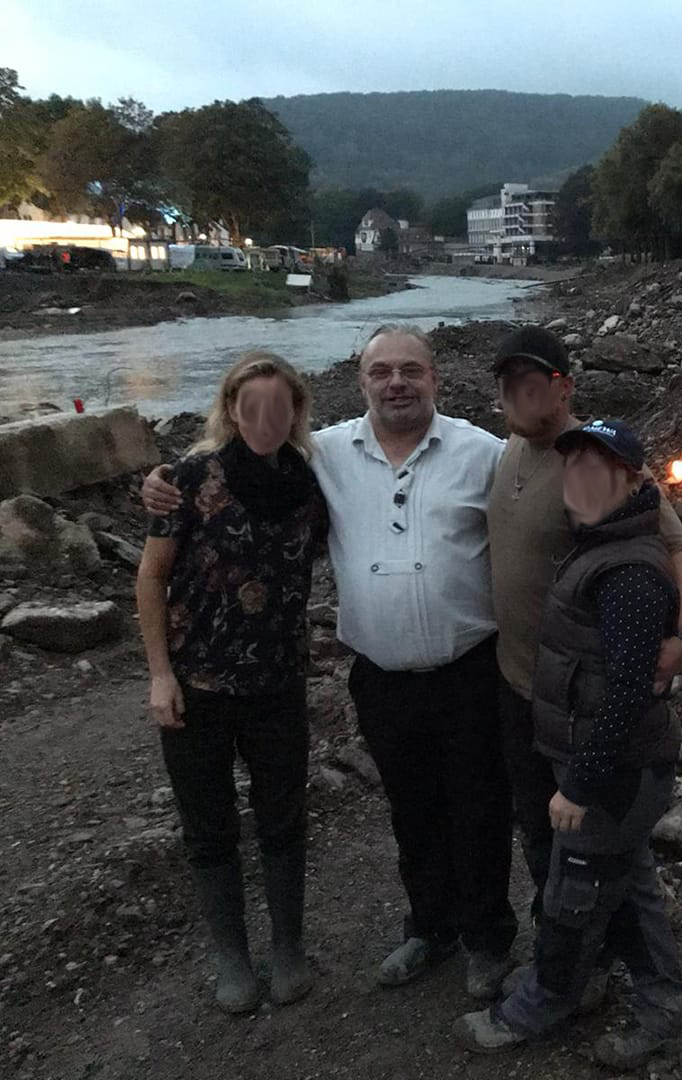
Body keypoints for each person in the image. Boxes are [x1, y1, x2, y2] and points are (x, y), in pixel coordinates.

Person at [143, 326, 518, 1001]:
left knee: (480, 808)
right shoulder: (326, 454)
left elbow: (539, 496)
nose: (396, 383)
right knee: (411, 811)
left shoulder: (482, 453)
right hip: (379, 676)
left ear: (435, 378)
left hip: (467, 668)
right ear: (361, 381)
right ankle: (431, 928)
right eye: (381, 372)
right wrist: (158, 482)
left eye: (410, 370)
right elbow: (230, 461)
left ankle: (488, 941)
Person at [454, 419, 682, 1070]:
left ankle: (538, 1006)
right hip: (612, 766)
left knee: (573, 898)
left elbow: (626, 696)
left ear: (633, 481)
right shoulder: (600, 543)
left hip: (615, 772)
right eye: (574, 469)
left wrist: (579, 786)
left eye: (599, 470)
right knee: (630, 886)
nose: (582, 482)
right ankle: (662, 1007)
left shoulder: (630, 573)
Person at [135, 351, 329, 1013]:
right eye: (252, 407)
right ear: (231, 410)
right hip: (197, 688)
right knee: (209, 827)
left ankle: (288, 950)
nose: (265, 419)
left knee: (283, 819)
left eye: (279, 406)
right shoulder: (189, 478)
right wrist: (160, 675)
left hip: (278, 684)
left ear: (296, 411)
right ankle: (231, 957)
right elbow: (151, 577)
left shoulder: (309, 484)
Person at [488, 326, 682, 921]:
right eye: (508, 386)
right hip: (515, 682)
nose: (519, 397)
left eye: (533, 384)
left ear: (564, 388)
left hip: (577, 695)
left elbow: (680, 548)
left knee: (588, 835)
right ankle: (556, 931)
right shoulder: (507, 451)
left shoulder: (594, 461)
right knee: (536, 823)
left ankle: (589, 946)